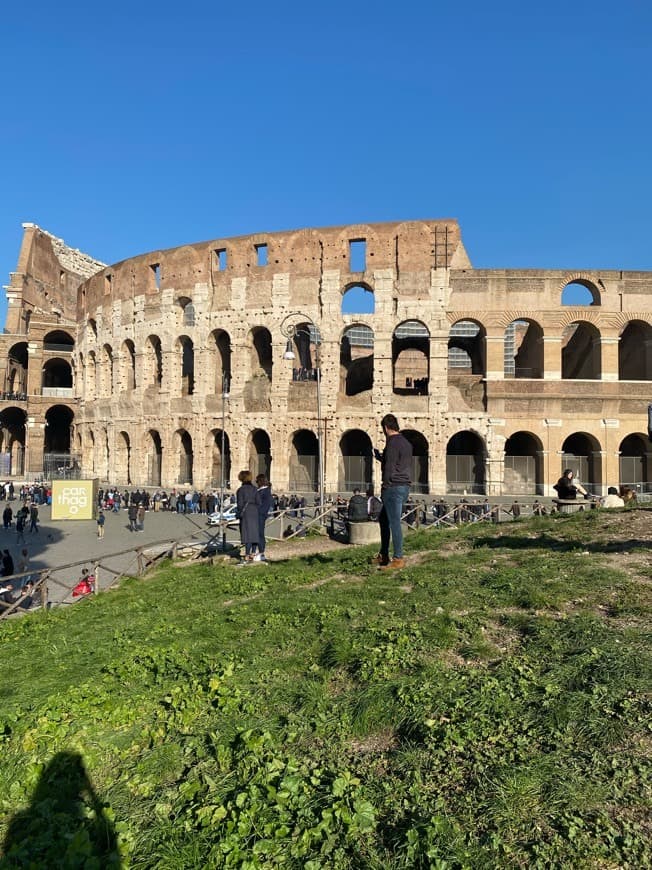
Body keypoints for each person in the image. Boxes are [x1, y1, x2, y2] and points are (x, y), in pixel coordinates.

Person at [373, 413, 412, 570]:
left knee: (394, 522)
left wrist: (384, 487)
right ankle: (383, 554)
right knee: (384, 519)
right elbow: (396, 463)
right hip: (404, 486)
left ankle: (398, 558)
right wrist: (381, 458)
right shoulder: (406, 443)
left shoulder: (392, 443)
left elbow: (389, 469)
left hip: (393, 487)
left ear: (386, 428)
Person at [235, 470, 261, 564]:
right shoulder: (255, 489)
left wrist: (240, 512)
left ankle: (246, 555)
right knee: (254, 534)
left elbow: (240, 504)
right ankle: (253, 553)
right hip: (254, 512)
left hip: (246, 513)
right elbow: (259, 502)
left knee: (247, 534)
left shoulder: (240, 490)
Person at [255, 474, 272, 562]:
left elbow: (266, 505)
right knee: (256, 534)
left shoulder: (265, 491)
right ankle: (256, 552)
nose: (256, 482)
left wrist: (260, 513)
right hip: (257, 515)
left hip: (260, 515)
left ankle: (261, 553)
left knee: (260, 534)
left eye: (257, 481)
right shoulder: (261, 490)